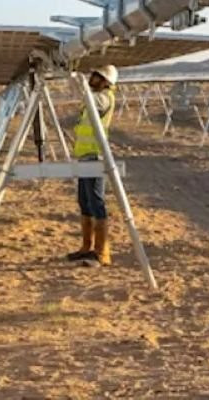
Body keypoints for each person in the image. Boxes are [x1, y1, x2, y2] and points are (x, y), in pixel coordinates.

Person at [65, 65, 118, 268]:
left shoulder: (103, 98)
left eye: (97, 76)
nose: (92, 78)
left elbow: (86, 97)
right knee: (84, 201)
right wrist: (71, 75)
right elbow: (80, 95)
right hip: (85, 156)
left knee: (96, 202)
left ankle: (101, 253)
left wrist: (75, 79)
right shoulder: (95, 96)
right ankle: (86, 248)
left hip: (95, 156)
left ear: (106, 82)